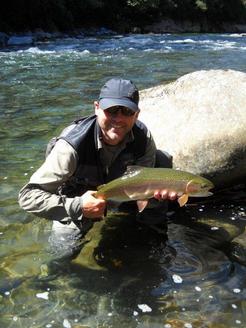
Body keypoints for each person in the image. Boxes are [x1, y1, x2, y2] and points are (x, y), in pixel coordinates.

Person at [18, 78, 177, 258]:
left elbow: (143, 178)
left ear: (136, 114)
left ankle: (151, 237)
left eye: (126, 111)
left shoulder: (143, 137)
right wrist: (78, 206)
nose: (118, 119)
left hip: (120, 190)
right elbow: (27, 196)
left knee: (162, 161)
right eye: (111, 110)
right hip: (79, 197)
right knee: (62, 253)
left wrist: (156, 192)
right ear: (96, 108)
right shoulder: (71, 146)